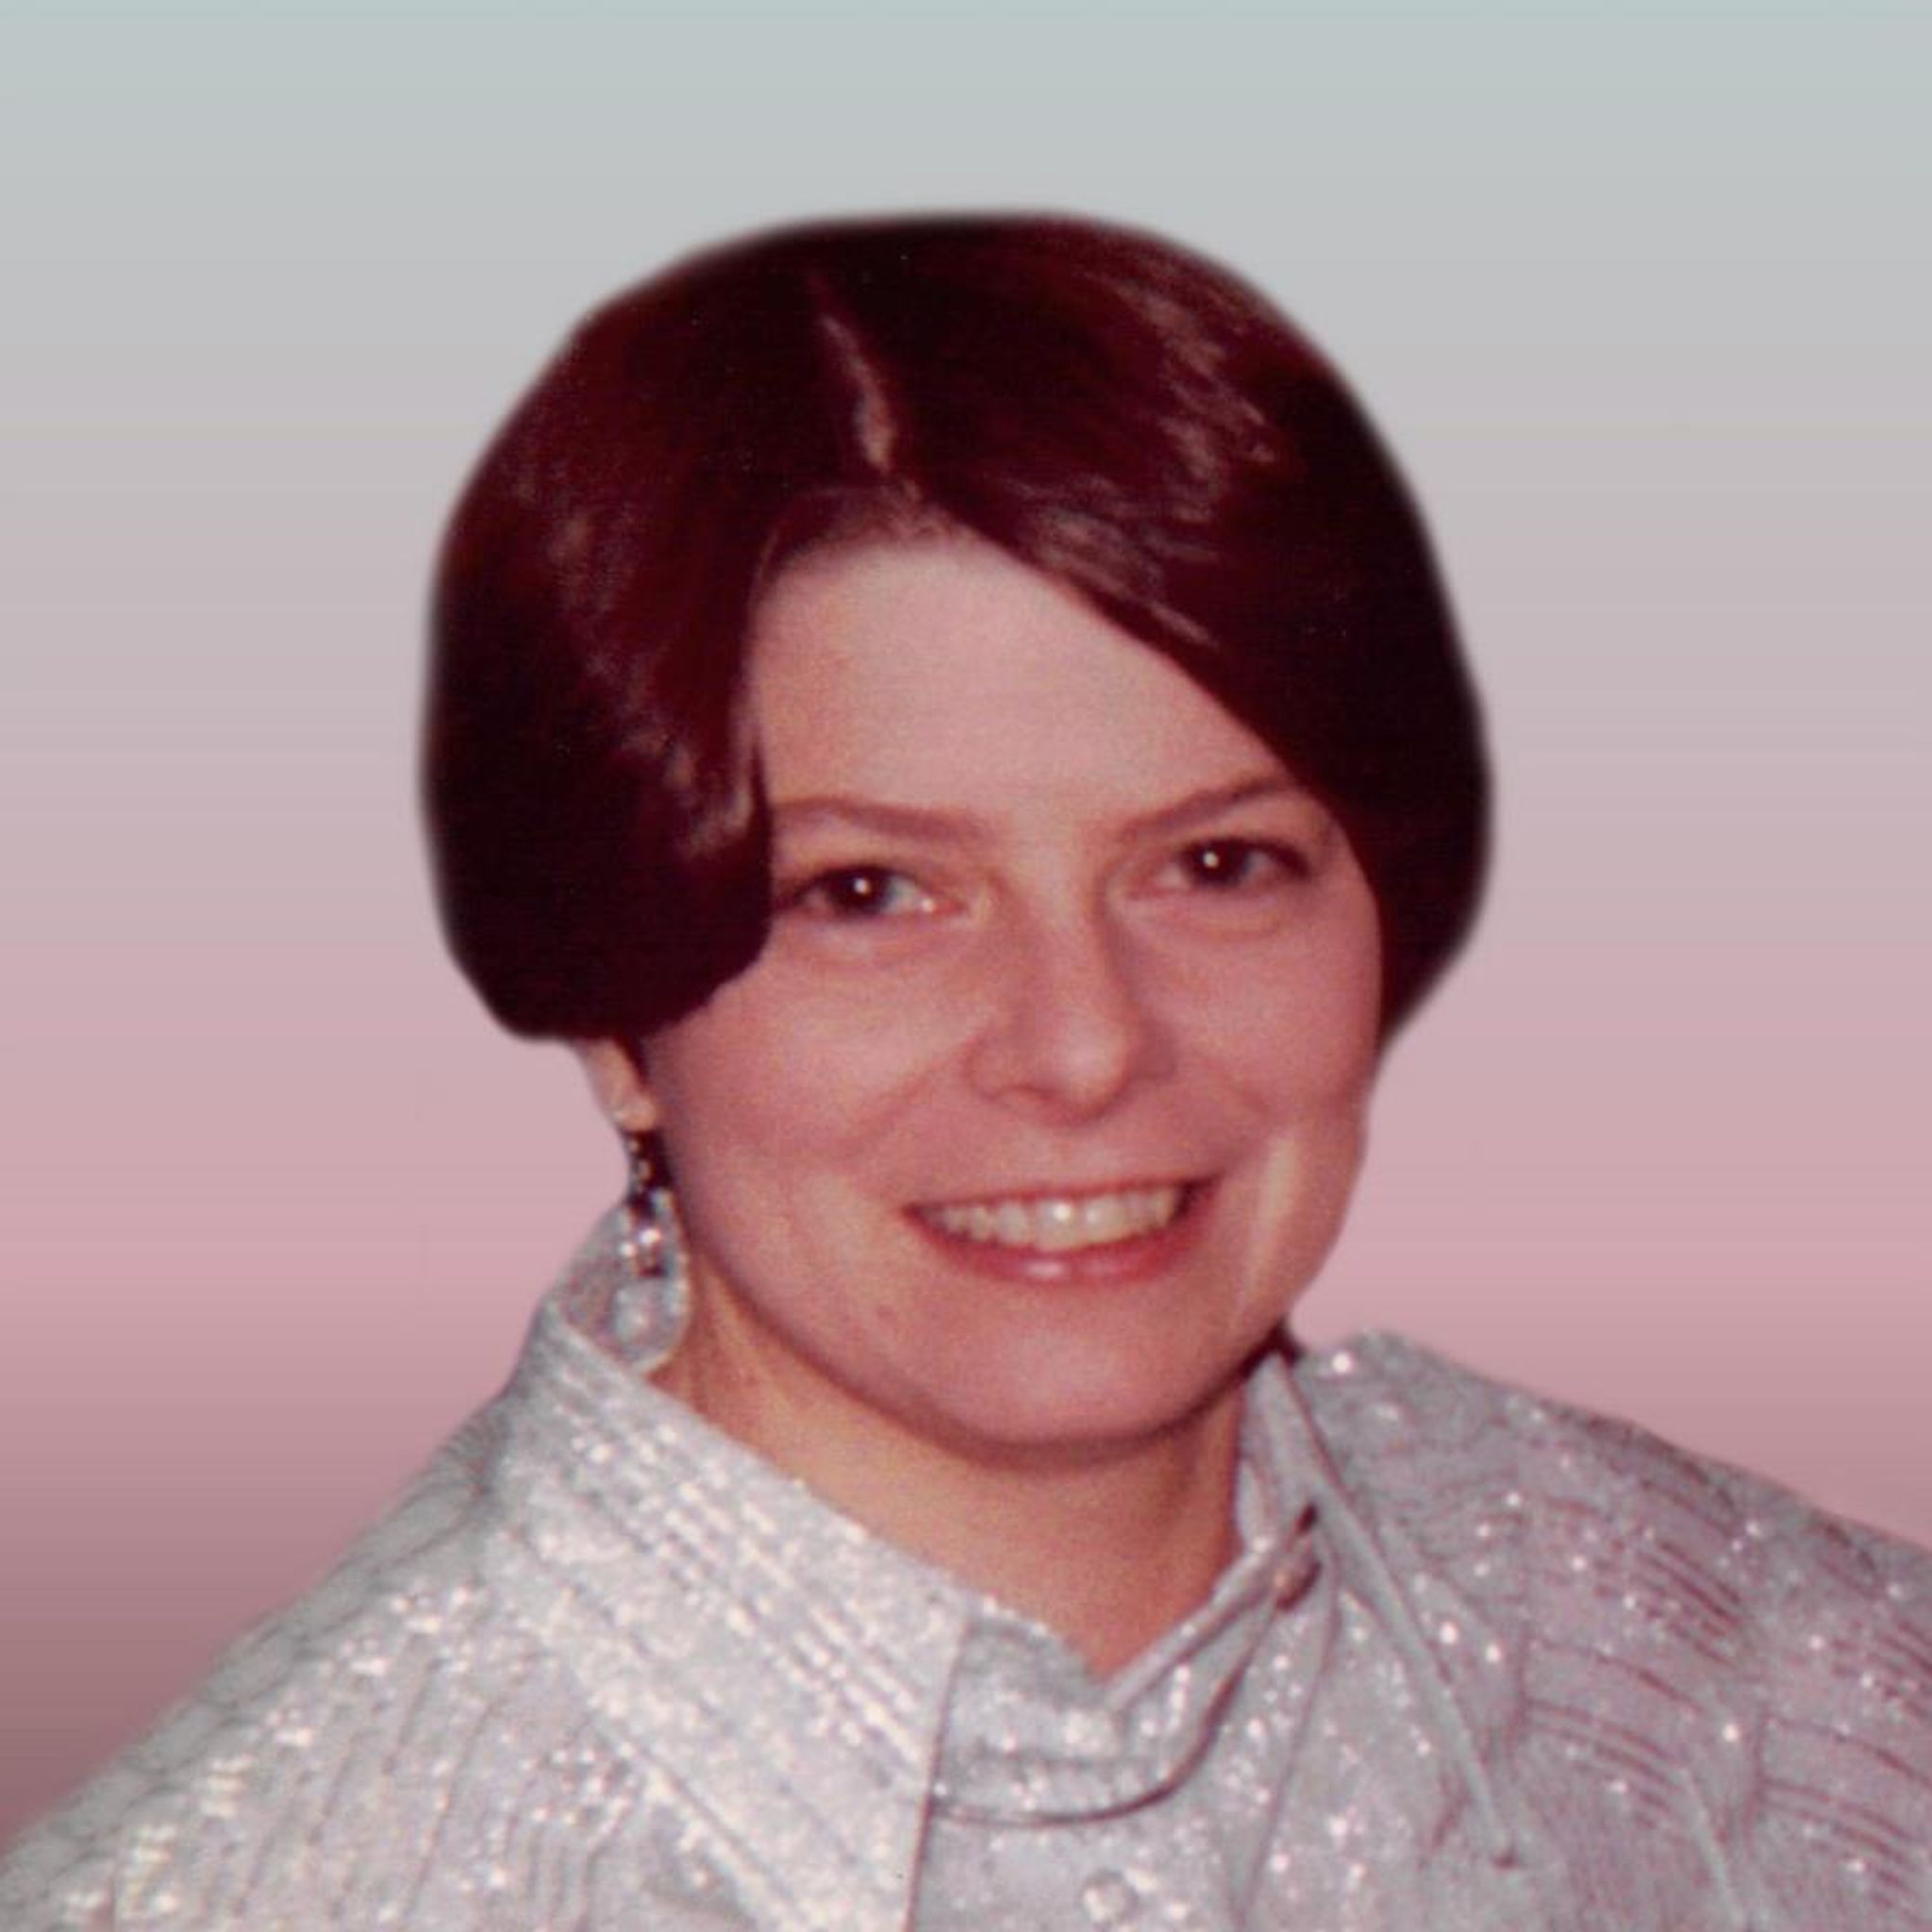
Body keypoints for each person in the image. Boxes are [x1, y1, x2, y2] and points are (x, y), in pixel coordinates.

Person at [2, 214, 1926, 1931]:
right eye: (870, 894)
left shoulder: (1758, 1670)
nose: (1085, 1045)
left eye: (1216, 864)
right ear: (612, 1011)